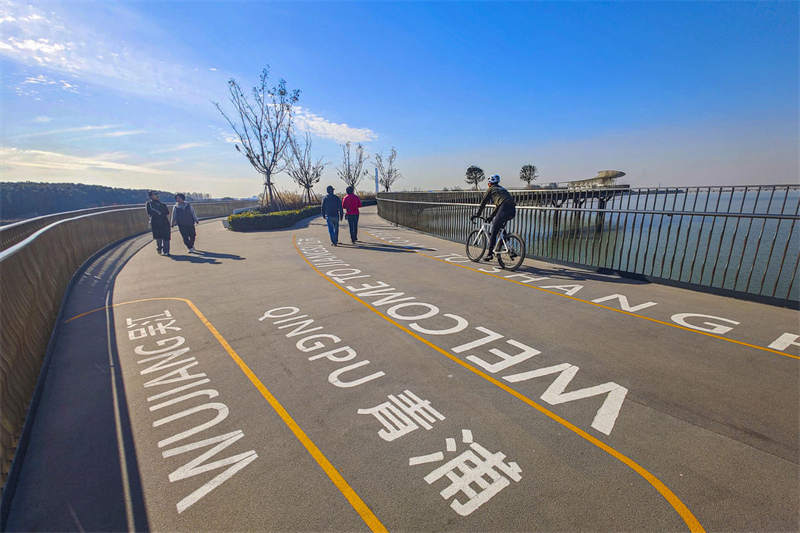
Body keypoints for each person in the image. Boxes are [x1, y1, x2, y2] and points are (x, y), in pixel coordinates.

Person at [471, 174, 517, 261]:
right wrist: (491, 217)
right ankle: (509, 249)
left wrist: (477, 214)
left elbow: (483, 202)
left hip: (504, 208)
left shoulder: (491, 189)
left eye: (488, 183)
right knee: (500, 229)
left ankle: (489, 254)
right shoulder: (502, 189)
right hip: (512, 210)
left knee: (494, 230)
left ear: (490, 183)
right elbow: (498, 206)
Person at [146, 191, 171, 256]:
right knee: (158, 237)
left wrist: (160, 213)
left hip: (164, 222)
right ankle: (159, 247)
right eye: (155, 194)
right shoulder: (149, 204)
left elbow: (167, 212)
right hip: (155, 222)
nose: (157, 195)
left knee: (166, 237)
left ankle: (166, 251)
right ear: (151, 196)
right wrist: (158, 213)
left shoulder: (163, 204)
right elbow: (149, 212)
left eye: (157, 194)